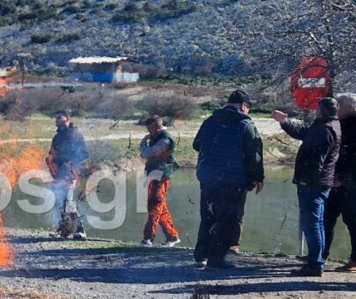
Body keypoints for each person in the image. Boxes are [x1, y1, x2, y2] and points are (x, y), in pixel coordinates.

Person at [193, 90, 265, 269]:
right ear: (243, 106)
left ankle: (201, 255)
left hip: (208, 178)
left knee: (208, 216)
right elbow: (254, 155)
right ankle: (216, 259)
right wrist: (258, 177)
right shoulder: (246, 125)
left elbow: (196, 145)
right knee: (228, 220)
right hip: (233, 180)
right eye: (248, 107)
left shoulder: (209, 120)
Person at [272, 97, 341, 276]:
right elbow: (303, 132)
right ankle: (316, 260)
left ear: (320, 110)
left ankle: (315, 264)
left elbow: (316, 161)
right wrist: (285, 122)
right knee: (316, 223)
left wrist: (305, 180)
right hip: (319, 183)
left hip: (313, 184)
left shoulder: (325, 129)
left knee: (312, 224)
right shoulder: (328, 125)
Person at [324, 93, 356, 272]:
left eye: (339, 104)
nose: (335, 107)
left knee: (352, 221)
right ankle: (321, 253)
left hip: (350, 184)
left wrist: (343, 179)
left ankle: (355, 260)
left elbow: (352, 158)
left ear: (350, 107)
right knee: (326, 218)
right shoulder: (339, 123)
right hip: (334, 181)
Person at [46, 110, 88, 240]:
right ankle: (64, 231)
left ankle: (80, 230)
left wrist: (70, 162)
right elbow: (52, 153)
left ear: (68, 119)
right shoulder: (57, 137)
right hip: (59, 173)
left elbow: (85, 153)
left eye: (60, 118)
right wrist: (51, 162)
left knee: (68, 202)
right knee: (59, 202)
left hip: (70, 172)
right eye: (56, 118)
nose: (58, 120)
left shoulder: (75, 134)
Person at [139, 115, 181, 247]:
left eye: (150, 128)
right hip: (155, 174)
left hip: (161, 176)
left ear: (157, 127)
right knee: (159, 206)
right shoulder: (157, 137)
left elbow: (148, 153)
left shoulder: (165, 139)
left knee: (155, 205)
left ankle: (148, 238)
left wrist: (143, 142)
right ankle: (172, 236)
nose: (148, 131)